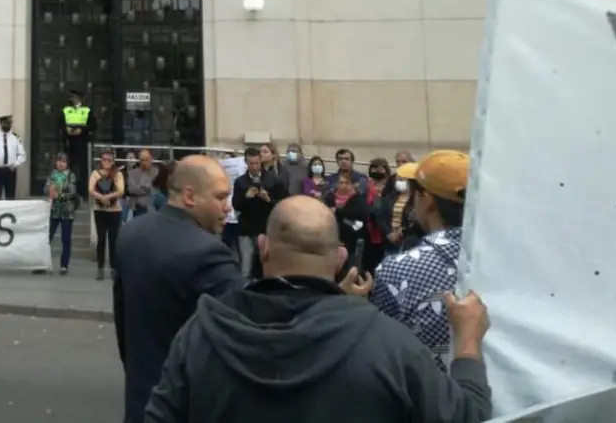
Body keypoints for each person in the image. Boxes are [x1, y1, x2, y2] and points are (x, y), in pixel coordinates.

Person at [145, 195, 493, 423]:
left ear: (264, 248)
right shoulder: (390, 345)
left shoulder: (200, 334)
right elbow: (466, 417)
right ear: (341, 258)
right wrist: (467, 342)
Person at [112, 155, 241, 423]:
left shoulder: (130, 234)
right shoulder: (211, 254)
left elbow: (123, 325)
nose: (228, 208)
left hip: (140, 401)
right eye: (220, 197)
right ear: (190, 197)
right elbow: (238, 344)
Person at [372, 150, 472, 371]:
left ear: (426, 199)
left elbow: (382, 351)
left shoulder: (398, 270)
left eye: (413, 192)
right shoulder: (510, 259)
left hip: (429, 399)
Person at [232, 147, 287, 278]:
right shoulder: (240, 182)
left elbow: (284, 202)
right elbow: (236, 205)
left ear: (260, 161)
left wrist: (269, 200)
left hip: (266, 228)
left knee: (267, 266)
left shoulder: (273, 180)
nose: (254, 166)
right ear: (246, 163)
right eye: (251, 163)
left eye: (257, 163)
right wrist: (246, 197)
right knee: (246, 267)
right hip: (246, 229)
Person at [89, 150, 125, 280]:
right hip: (99, 210)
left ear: (113, 161)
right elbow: (91, 189)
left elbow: (121, 190)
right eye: (104, 159)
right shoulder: (95, 173)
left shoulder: (118, 174)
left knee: (114, 241)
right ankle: (100, 268)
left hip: (114, 211)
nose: (106, 162)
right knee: (101, 240)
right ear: (101, 161)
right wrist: (101, 197)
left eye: (109, 160)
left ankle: (114, 268)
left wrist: (108, 196)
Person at [43, 153, 79, 275]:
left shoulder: (70, 175)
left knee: (65, 239)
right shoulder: (52, 174)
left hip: (67, 211)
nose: (61, 163)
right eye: (59, 161)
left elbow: (73, 192)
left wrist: (61, 195)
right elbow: (45, 188)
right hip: (54, 210)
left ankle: (64, 265)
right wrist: (49, 190)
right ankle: (43, 263)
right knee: (47, 237)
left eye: (63, 161)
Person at [60, 89, 94, 197]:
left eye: (74, 97)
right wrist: (66, 130)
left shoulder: (87, 110)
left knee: (82, 167)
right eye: (71, 97)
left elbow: (93, 125)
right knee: (67, 166)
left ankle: (82, 192)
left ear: (79, 98)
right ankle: (67, 191)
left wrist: (82, 130)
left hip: (82, 141)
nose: (72, 99)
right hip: (69, 142)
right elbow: (59, 123)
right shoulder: (66, 109)